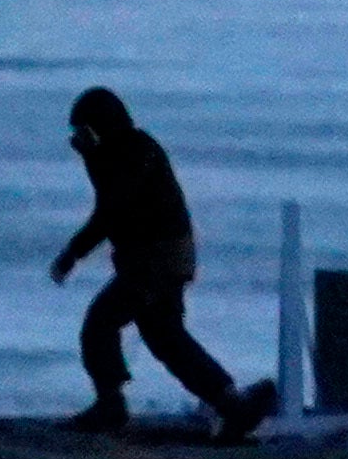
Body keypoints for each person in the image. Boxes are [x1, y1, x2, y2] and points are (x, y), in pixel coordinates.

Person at [47, 86, 270, 439]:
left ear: (99, 127)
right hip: (161, 258)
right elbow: (113, 206)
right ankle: (232, 404)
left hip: (156, 260)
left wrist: (72, 254)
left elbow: (111, 210)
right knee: (166, 337)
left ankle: (111, 404)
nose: (78, 141)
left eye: (83, 132)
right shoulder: (123, 152)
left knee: (101, 324)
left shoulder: (132, 154)